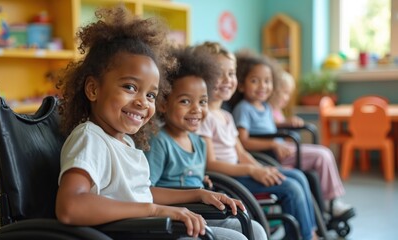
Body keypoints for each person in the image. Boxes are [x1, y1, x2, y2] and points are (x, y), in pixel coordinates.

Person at [55, 6, 248, 239]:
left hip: (150, 228)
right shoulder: (90, 138)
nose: (142, 102)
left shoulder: (124, 141)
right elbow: (70, 207)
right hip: (134, 233)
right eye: (130, 87)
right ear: (93, 89)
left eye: (150, 95)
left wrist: (197, 194)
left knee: (249, 228)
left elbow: (143, 193)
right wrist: (154, 210)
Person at [193, 42, 318, 240]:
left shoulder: (226, 115)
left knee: (298, 177)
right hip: (227, 180)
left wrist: (261, 169)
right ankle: (304, 236)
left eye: (231, 73)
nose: (227, 80)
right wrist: (252, 170)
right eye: (219, 73)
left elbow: (241, 153)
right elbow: (211, 164)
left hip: (240, 172)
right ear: (202, 76)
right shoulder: (203, 116)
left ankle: (310, 233)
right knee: (291, 188)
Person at [144, 46, 267, 240]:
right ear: (163, 104)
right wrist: (196, 192)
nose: (196, 110)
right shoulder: (160, 142)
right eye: (185, 101)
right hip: (172, 221)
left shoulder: (198, 142)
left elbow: (192, 176)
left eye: (202, 102)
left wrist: (202, 183)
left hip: (201, 213)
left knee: (256, 230)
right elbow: (146, 192)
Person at [230, 52, 355, 220]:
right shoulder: (243, 109)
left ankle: (324, 202)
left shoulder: (265, 107)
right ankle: (330, 203)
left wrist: (285, 123)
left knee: (322, 154)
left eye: (267, 81)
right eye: (255, 81)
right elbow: (244, 141)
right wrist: (273, 145)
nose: (262, 86)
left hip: (283, 149)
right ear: (242, 85)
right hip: (271, 155)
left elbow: (269, 128)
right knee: (322, 155)